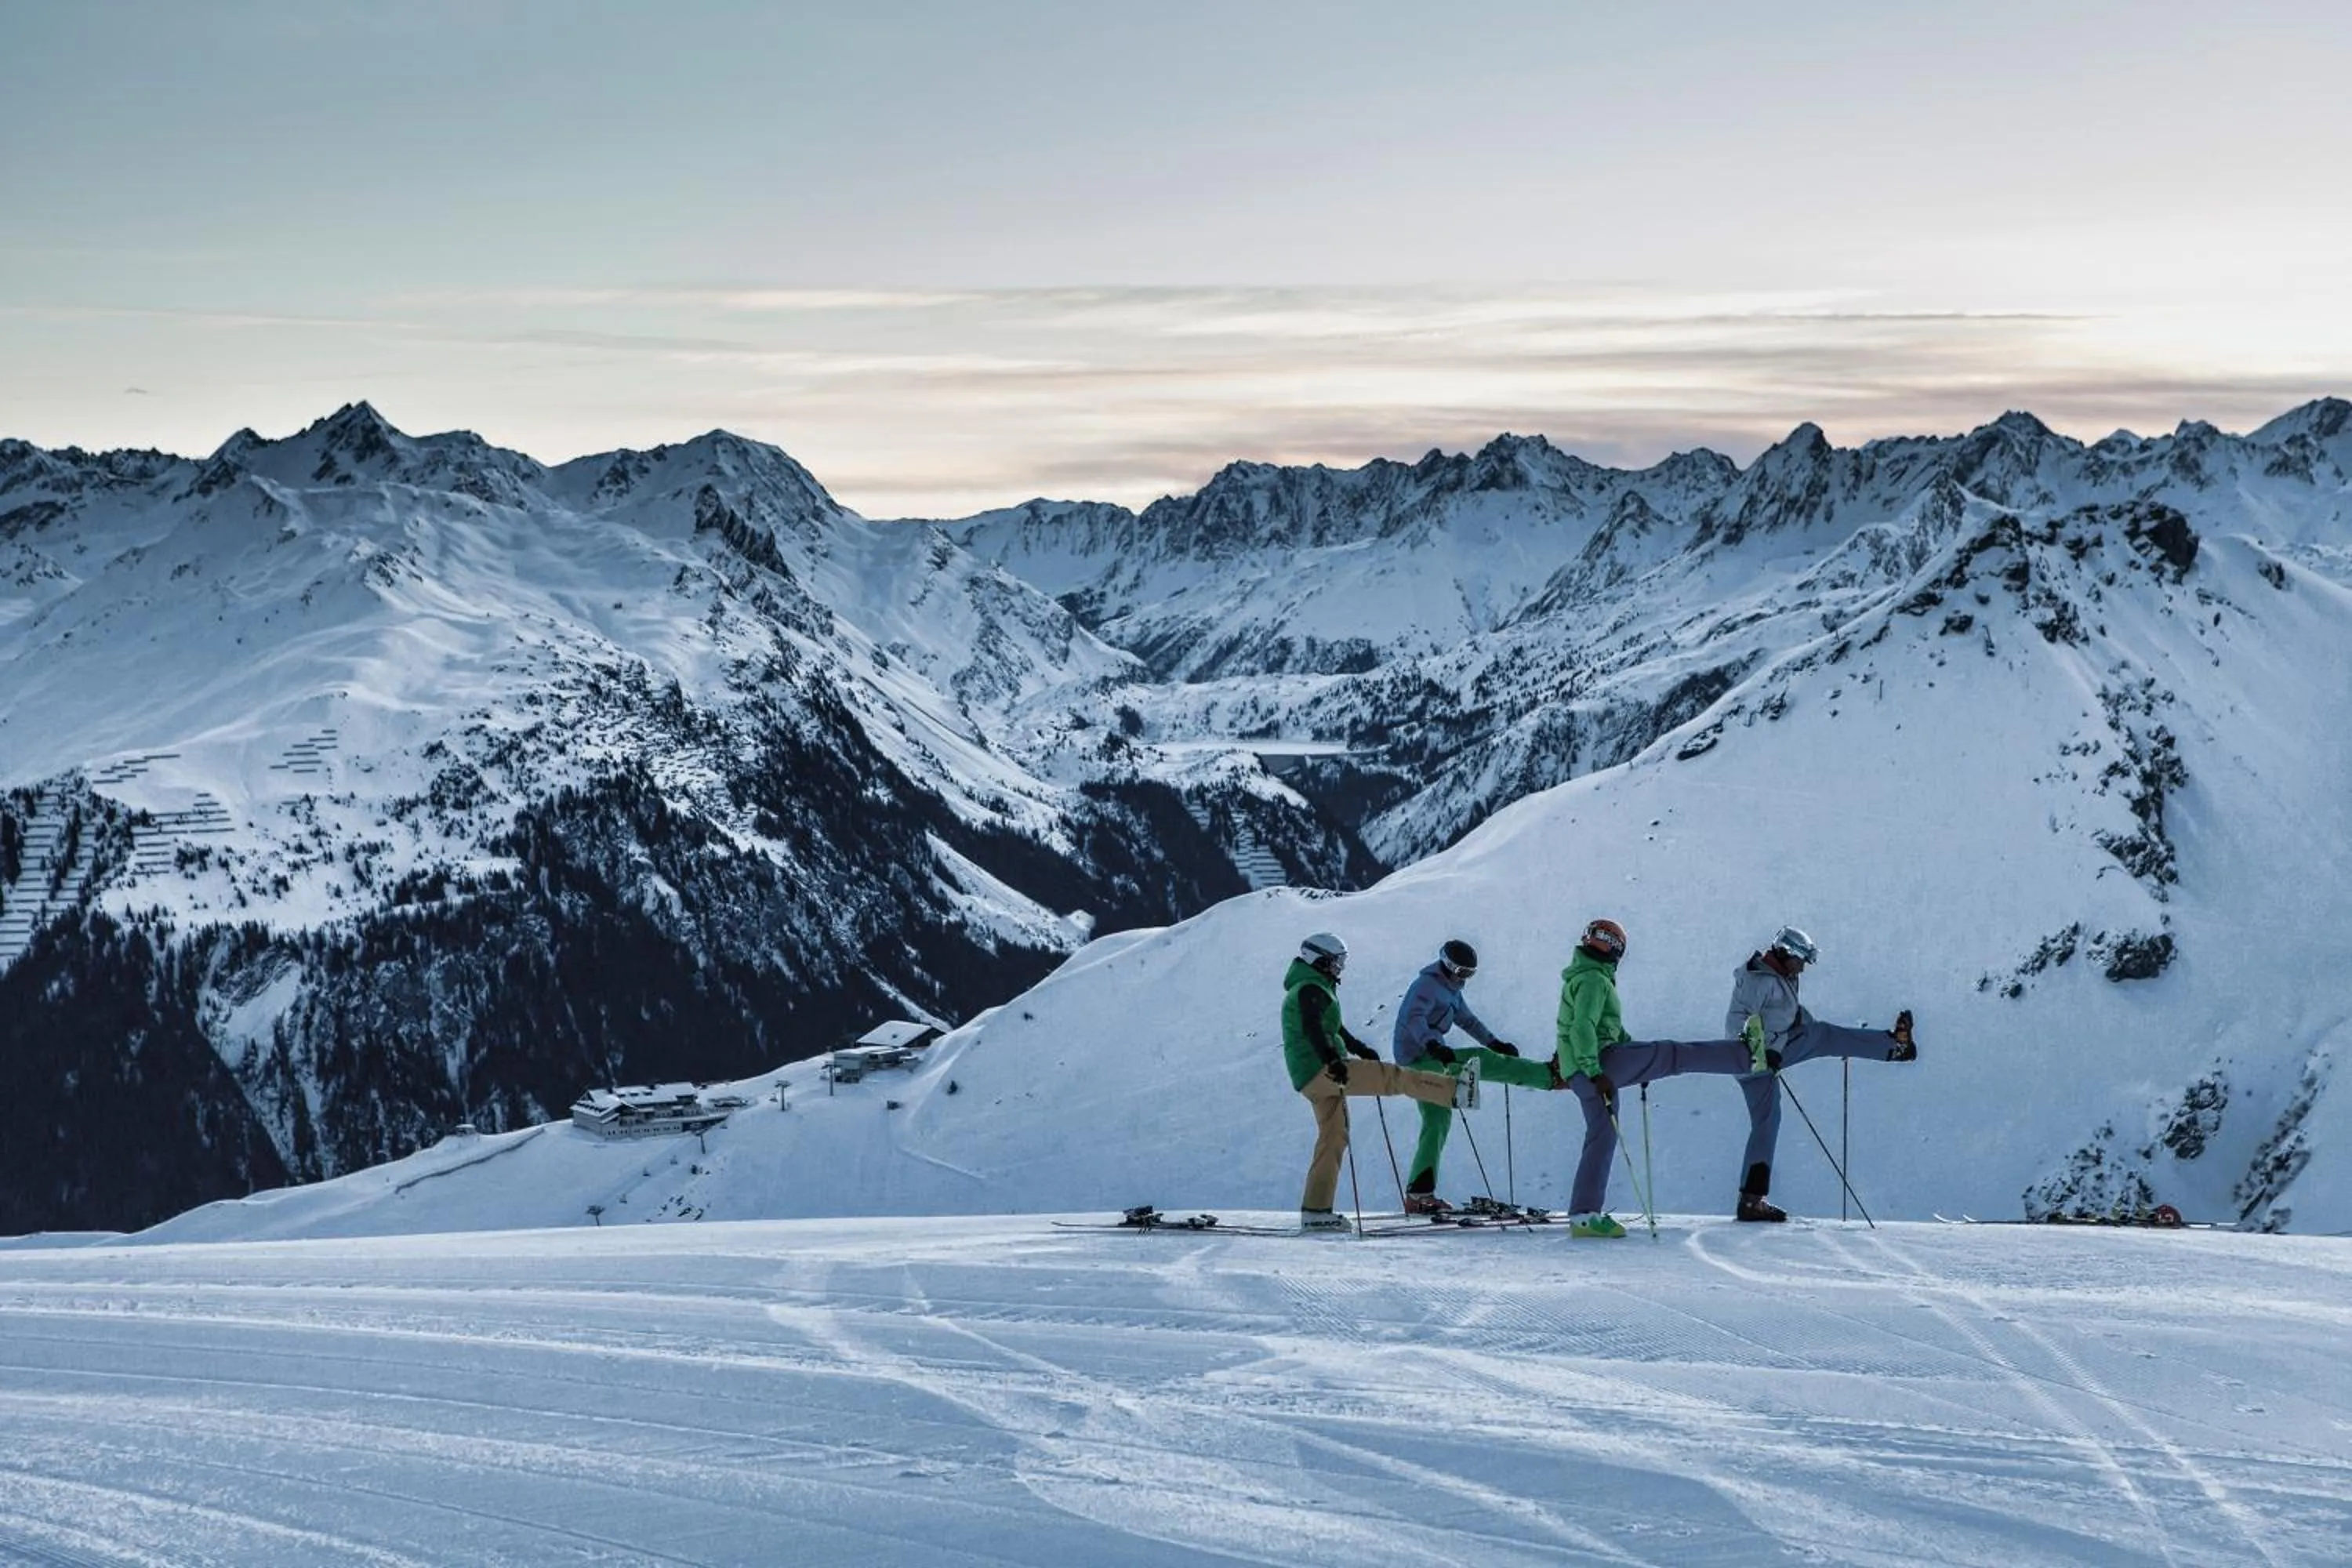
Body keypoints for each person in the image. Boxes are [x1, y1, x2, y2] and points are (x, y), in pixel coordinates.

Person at [1555, 917, 1765, 1238]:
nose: (1605, 944)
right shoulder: (1594, 980)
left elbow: (1603, 1028)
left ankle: (1584, 1216)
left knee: (1601, 1138)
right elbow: (1582, 1027)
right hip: (1596, 1066)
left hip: (1582, 1073)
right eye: (1601, 938)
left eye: (1609, 940)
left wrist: (1631, 1060)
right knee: (1672, 1054)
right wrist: (1596, 1070)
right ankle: (1744, 1055)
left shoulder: (1585, 977)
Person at [1283, 931, 1476, 1231]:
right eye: (1337, 962)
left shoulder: (1313, 987)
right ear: (1318, 959)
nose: (1340, 967)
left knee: (1333, 1138)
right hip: (1322, 1069)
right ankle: (1455, 1092)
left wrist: (1359, 1048)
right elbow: (1313, 1029)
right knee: (1394, 1077)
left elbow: (1333, 1027)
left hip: (1310, 1075)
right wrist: (1333, 1061)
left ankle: (1316, 1211)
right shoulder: (1310, 988)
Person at [1725, 926, 1917, 1221]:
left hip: (1762, 1059)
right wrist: (1767, 1050)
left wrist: (1801, 1035)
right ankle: (1895, 1048)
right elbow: (1740, 1021)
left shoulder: (1780, 977)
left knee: (1767, 1123)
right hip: (1755, 1057)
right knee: (1825, 1036)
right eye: (1801, 960)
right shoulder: (1758, 979)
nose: (1803, 967)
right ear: (1786, 953)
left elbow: (1788, 1014)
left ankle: (1751, 1201)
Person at [1392, 938, 1561, 1213]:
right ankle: (1549, 1077)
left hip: (1430, 1057)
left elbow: (1468, 1021)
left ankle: (1419, 1195)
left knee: (1437, 1121)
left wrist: (1494, 1042)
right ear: (1447, 966)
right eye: (1461, 972)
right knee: (1481, 1061)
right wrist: (1432, 1045)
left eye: (1469, 974)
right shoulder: (1426, 986)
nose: (1464, 978)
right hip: (1420, 1058)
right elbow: (1414, 1019)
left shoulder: (1451, 990)